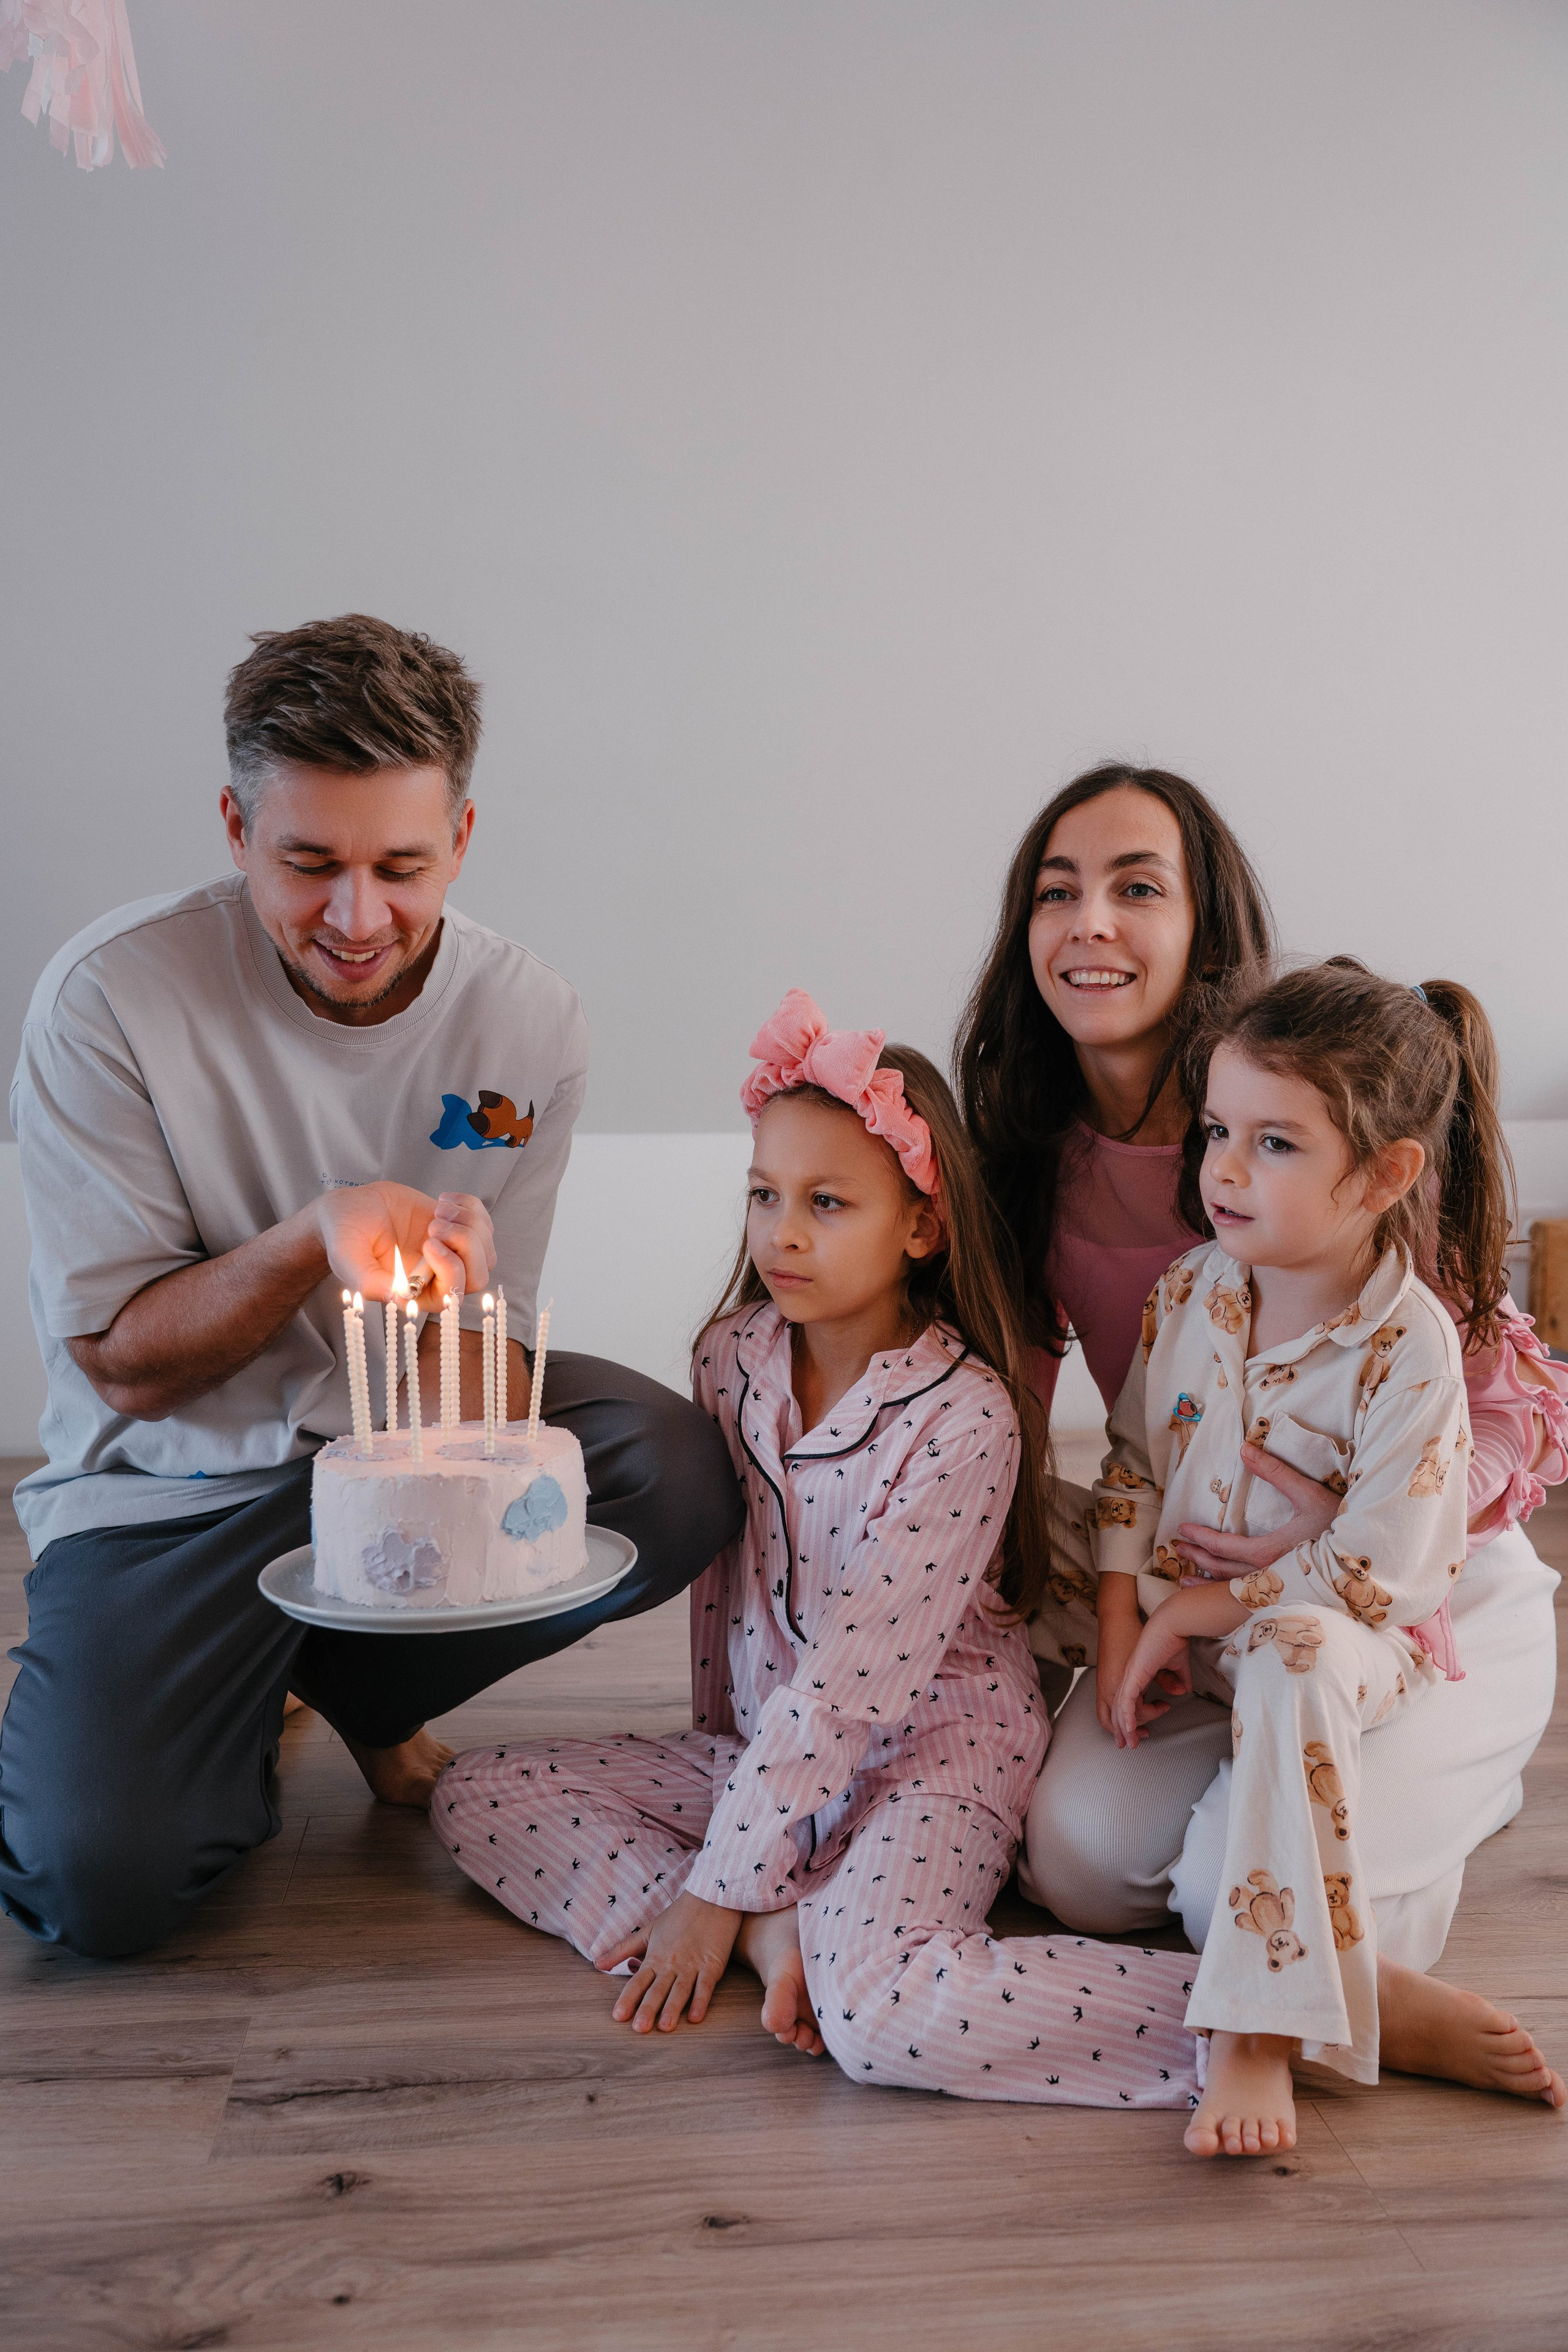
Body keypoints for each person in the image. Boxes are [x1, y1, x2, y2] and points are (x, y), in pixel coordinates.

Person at [1, 613, 743, 1960]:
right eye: (308, 864)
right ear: (234, 828)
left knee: (669, 1468)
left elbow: (493, 1379)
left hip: (400, 1452)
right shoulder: (109, 999)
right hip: (170, 1490)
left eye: (402, 866)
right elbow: (118, 1361)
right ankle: (234, 1702)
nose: (357, 919)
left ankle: (336, 1681)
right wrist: (307, 1242)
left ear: (461, 839)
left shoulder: (527, 1020)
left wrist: (451, 1315)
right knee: (93, 1883)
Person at [435, 990, 1208, 2109]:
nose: (782, 1232)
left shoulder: (965, 1418)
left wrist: (717, 1879)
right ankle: (771, 1934)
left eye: (829, 1203)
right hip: (767, 1755)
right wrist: (731, 1855)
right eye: (765, 1194)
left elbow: (853, 1690)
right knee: (478, 1799)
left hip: (929, 1762)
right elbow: (723, 1598)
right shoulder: (730, 1359)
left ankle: (1261, 2017)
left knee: (876, 2013)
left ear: (921, 1228)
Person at [957, 765, 1564, 1967]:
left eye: (1136, 888)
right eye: (1053, 891)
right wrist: (1127, 1605)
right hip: (1208, 1583)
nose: (1087, 922)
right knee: (1073, 1870)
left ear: (1203, 927)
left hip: (1406, 1592)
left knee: (1223, 1905)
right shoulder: (1029, 1156)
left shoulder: (1322, 1117)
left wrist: (1366, 1516)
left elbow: (1510, 1402)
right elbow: (1019, 1433)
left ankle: (1447, 1783)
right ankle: (1294, 1822)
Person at [1096, 961, 1566, 2154]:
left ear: (1382, 1174)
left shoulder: (1411, 1343)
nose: (1223, 1169)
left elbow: (1385, 1576)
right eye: (1213, 1132)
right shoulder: (1185, 1294)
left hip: (1344, 1647)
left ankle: (1261, 2036)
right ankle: (1353, 1998)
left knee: (1292, 1659)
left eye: (1272, 1143)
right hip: (1201, 1641)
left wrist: (1202, 1605)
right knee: (1070, 1866)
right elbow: (1127, 1462)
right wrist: (1129, 1622)